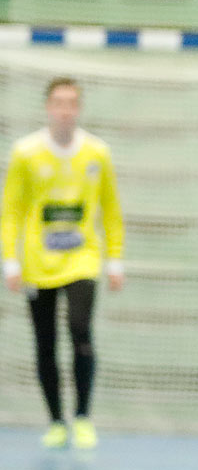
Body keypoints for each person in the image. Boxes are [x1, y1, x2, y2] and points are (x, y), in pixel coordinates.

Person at [3, 77, 125, 450]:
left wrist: (115, 259)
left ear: (79, 107)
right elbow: (12, 210)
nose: (65, 109)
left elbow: (111, 210)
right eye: (58, 102)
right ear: (48, 107)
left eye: (71, 102)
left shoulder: (97, 153)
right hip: (39, 263)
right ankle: (57, 421)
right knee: (45, 343)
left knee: (80, 329)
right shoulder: (25, 153)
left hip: (82, 260)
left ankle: (83, 417)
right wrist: (10, 259)